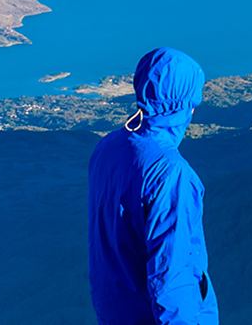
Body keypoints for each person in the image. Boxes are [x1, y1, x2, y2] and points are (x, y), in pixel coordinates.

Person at [88, 47, 219, 324]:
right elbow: (173, 276)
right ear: (185, 103)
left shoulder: (108, 148)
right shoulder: (171, 173)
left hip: (114, 312)